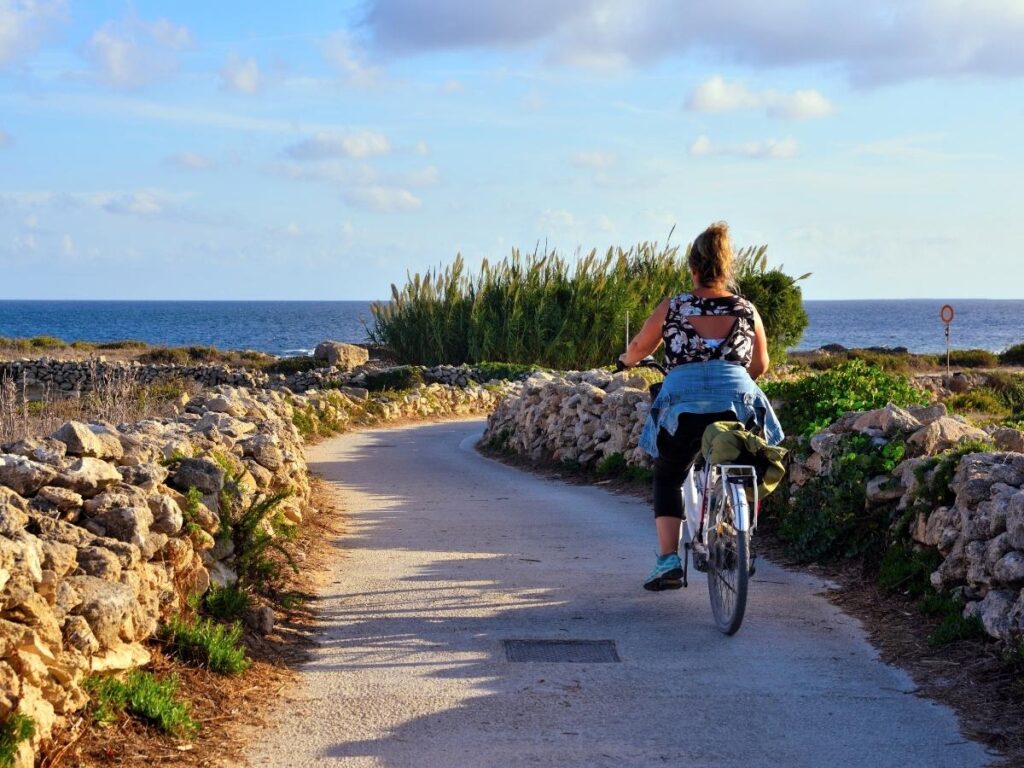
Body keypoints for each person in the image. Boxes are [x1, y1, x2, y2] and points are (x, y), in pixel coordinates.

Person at [617, 221, 784, 591]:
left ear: (693, 268)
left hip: (684, 403)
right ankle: (738, 529)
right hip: (735, 401)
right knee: (743, 461)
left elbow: (640, 349)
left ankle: (667, 561)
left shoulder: (674, 306)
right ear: (727, 269)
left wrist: (626, 361)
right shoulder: (746, 309)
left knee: (669, 472)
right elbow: (760, 365)